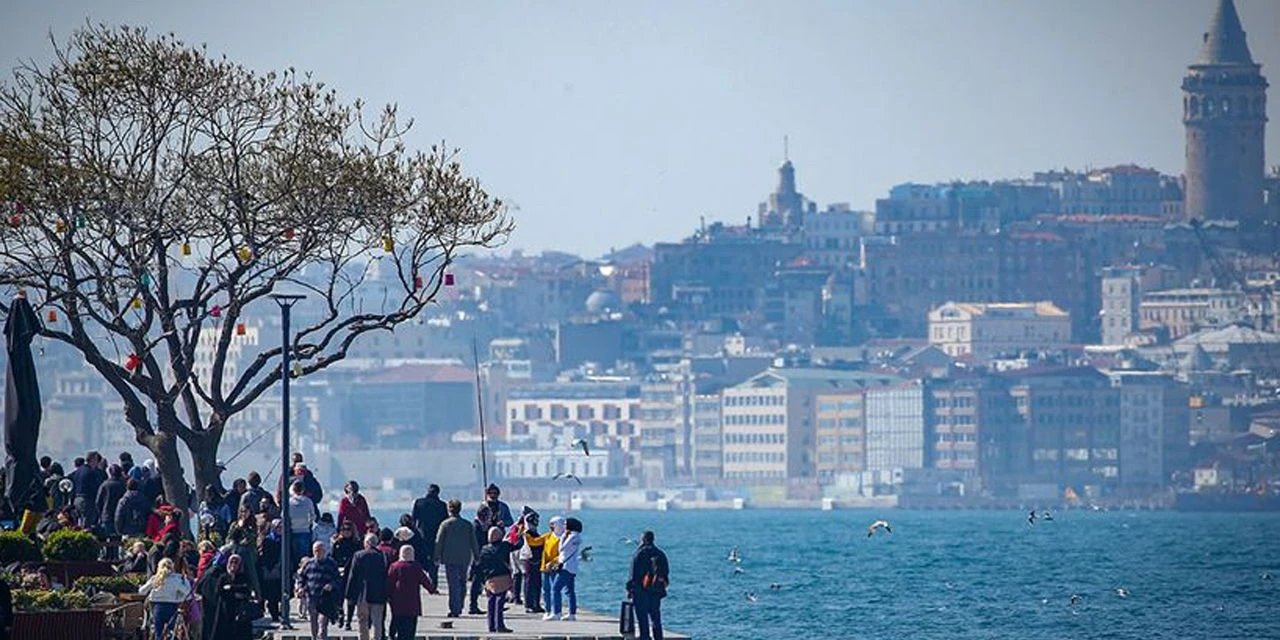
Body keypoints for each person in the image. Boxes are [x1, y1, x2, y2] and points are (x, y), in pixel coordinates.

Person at [434, 499, 478, 618]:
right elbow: (474, 542)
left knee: (453, 584)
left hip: (449, 558)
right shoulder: (467, 524)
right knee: (462, 583)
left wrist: (436, 557)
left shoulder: (445, 524)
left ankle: (455, 608)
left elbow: (439, 542)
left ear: (449, 510)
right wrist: (477, 556)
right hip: (464, 558)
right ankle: (460, 605)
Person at [478, 524, 524, 634]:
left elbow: (480, 565)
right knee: (500, 601)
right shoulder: (504, 546)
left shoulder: (484, 549)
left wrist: (482, 579)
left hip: (489, 578)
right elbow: (518, 545)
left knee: (491, 601)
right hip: (502, 576)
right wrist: (521, 534)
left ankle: (491, 626)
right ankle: (500, 625)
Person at [384, 544, 437, 640]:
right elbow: (425, 581)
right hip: (412, 604)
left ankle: (393, 635)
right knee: (410, 631)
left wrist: (387, 596)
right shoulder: (416, 567)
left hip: (397, 603)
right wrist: (432, 589)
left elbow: (389, 583)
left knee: (399, 626)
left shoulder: (394, 566)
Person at [627, 530, 670, 640]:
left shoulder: (639, 553)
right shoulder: (660, 553)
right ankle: (658, 637)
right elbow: (666, 572)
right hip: (656, 590)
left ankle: (645, 637)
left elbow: (633, 574)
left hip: (641, 590)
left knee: (642, 617)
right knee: (655, 617)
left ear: (643, 539)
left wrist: (629, 590)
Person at [346, 533, 388, 640]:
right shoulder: (383, 556)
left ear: (367, 543)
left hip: (362, 593)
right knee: (377, 622)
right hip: (379, 593)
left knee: (362, 621)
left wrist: (349, 594)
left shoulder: (358, 555)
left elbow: (353, 576)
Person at [139, 557, 193, 640]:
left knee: (158, 633)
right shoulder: (176, 579)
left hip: (156, 607)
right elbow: (188, 594)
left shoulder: (155, 579)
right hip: (172, 607)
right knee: (172, 632)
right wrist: (180, 598)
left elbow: (142, 591)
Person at [206, 553, 257, 640]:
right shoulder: (223, 577)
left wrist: (231, 588)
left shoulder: (243, 577)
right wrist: (235, 592)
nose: (233, 565)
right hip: (225, 610)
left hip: (240, 611)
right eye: (231, 562)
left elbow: (246, 589)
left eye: (236, 562)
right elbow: (219, 591)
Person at [299, 541, 342, 640]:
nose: (317, 553)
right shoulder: (308, 564)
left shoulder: (331, 563)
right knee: (313, 622)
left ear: (324, 551)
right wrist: (300, 588)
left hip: (325, 598)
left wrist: (331, 585)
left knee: (322, 624)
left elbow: (337, 579)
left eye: (320, 551)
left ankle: (322, 637)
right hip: (311, 597)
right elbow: (302, 578)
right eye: (315, 551)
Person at [551, 517, 582, 621]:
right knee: (570, 591)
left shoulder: (574, 536)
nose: (563, 526)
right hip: (567, 566)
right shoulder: (572, 536)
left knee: (556, 588)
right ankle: (571, 614)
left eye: (565, 524)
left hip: (567, 567)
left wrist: (564, 535)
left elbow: (562, 548)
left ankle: (557, 612)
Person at [330, 521, 360, 628]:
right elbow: (333, 558)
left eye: (348, 530)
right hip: (340, 572)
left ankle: (349, 621)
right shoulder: (337, 543)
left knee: (351, 598)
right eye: (343, 530)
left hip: (352, 572)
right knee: (339, 597)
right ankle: (340, 616)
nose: (346, 532)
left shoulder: (356, 543)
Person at [467, 504, 495, 615]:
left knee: (484, 581)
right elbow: (479, 542)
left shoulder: (482, 525)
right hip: (478, 557)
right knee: (477, 582)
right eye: (488, 516)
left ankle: (493, 603)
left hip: (482, 557)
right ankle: (473, 605)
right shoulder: (476, 526)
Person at [520, 511, 548, 613]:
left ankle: (536, 603)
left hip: (538, 560)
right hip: (529, 560)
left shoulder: (535, 532)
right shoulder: (526, 533)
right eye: (534, 520)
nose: (536, 522)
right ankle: (528, 604)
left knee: (537, 582)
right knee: (529, 582)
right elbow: (533, 543)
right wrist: (546, 537)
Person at [538, 516, 564, 619]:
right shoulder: (548, 536)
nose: (551, 526)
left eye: (553, 524)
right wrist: (526, 533)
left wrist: (553, 562)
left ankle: (556, 611)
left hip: (555, 567)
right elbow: (536, 541)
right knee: (546, 590)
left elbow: (562, 554)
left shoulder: (563, 538)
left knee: (555, 589)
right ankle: (548, 610)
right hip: (545, 567)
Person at [258, 520, 283, 622]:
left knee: (277, 594)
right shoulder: (267, 540)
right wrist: (268, 566)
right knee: (269, 592)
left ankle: (277, 613)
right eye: (278, 527)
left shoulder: (284, 539)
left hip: (279, 568)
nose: (280, 529)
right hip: (268, 569)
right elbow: (263, 554)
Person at [288, 481, 316, 572]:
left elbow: (283, 516)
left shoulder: (289, 502)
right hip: (305, 531)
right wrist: (308, 524)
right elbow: (313, 516)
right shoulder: (308, 501)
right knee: (305, 558)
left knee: (294, 558)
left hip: (292, 532)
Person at [95, 464, 127, 536]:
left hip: (106, 515)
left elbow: (98, 502)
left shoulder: (104, 484)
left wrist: (101, 513)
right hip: (119, 515)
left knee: (106, 537)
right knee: (117, 538)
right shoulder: (123, 485)